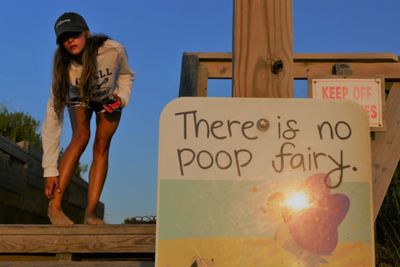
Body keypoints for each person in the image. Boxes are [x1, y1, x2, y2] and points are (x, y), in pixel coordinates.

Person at [41, 12, 134, 225]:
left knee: (102, 144)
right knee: (81, 135)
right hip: (79, 96)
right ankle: (54, 208)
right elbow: (52, 120)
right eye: (64, 38)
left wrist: (121, 98)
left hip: (107, 97)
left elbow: (126, 75)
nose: (70, 40)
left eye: (74, 34)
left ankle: (90, 214)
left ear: (87, 33)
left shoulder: (112, 49)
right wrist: (49, 170)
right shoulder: (64, 70)